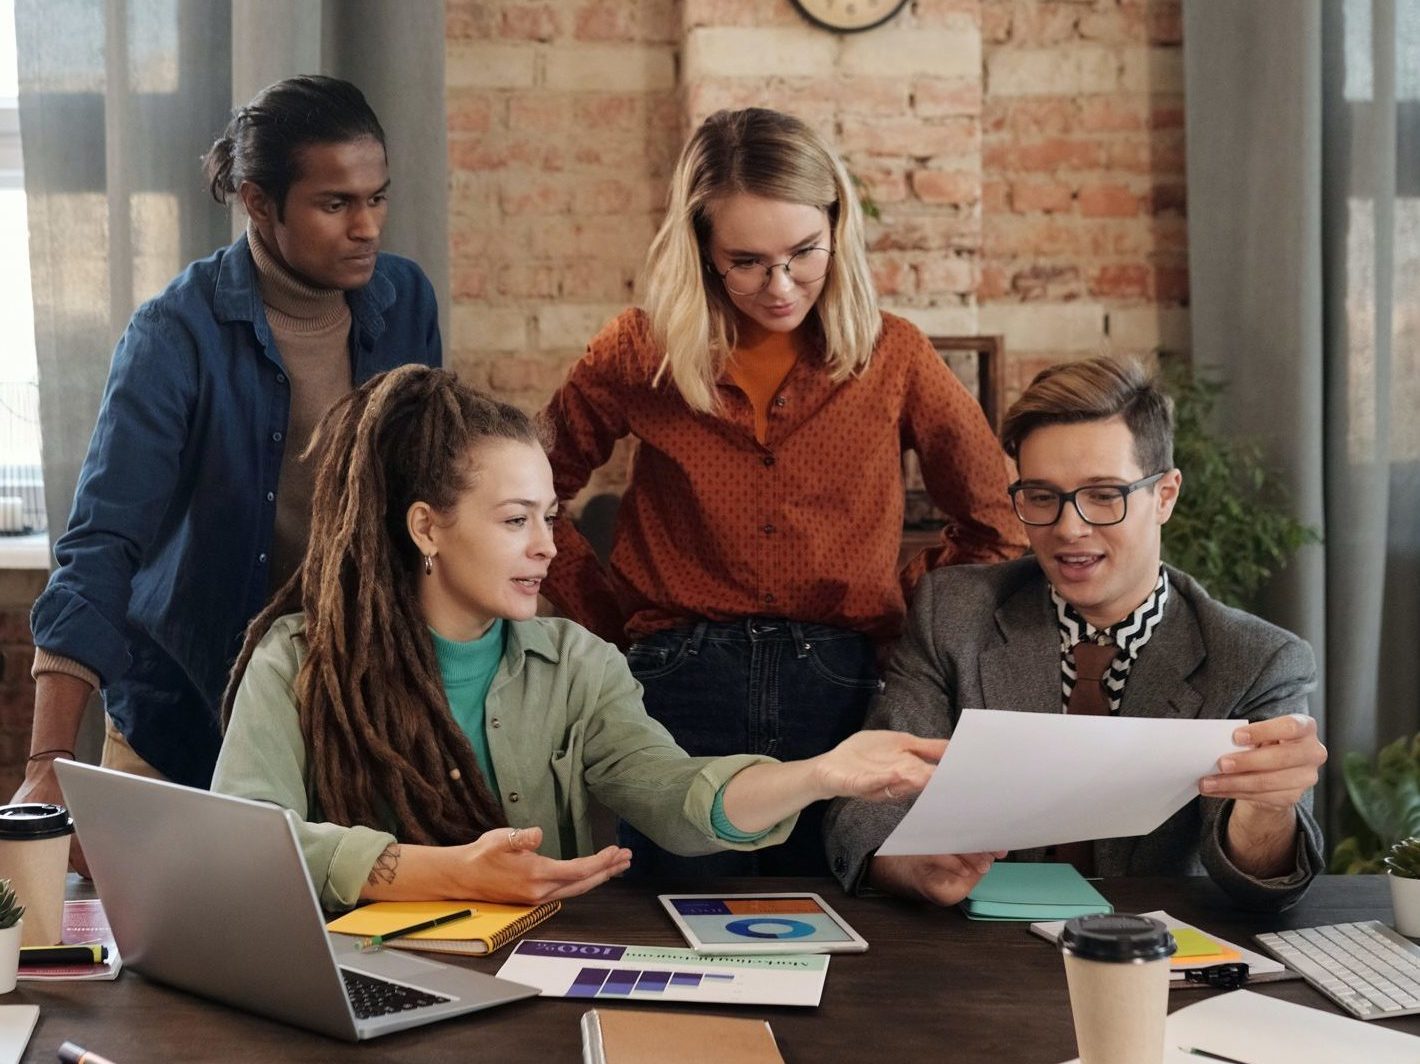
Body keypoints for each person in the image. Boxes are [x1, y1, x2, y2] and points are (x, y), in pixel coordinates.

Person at [210, 366, 945, 911]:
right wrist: (444, 873)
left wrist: (821, 773)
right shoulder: (299, 662)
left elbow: (675, 796)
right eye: (514, 520)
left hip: (534, 993)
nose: (547, 547)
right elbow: (246, 846)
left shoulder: (579, 665)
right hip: (357, 990)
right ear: (427, 526)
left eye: (550, 517)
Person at [540, 107, 1026, 879]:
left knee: (838, 927)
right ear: (701, 248)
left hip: (836, 686)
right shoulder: (639, 353)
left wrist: (895, 599)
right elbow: (534, 495)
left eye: (804, 253)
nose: (780, 285)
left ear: (838, 225)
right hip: (675, 685)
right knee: (673, 924)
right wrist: (608, 623)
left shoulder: (893, 355)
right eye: (747, 261)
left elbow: (999, 523)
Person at [17, 76, 441, 871]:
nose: (367, 227)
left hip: (352, 722)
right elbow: (103, 543)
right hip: (185, 717)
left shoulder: (405, 300)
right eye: (335, 203)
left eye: (377, 198)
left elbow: (425, 502)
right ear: (257, 201)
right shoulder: (174, 333)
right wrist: (46, 763)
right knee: (159, 978)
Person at [824, 356, 1328, 911]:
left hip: (1155, 958)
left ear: (1164, 496)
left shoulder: (1258, 658)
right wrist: (907, 864)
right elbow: (866, 802)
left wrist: (1268, 808)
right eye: (1041, 497)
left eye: (1104, 495)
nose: (1069, 528)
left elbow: (1261, 883)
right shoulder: (953, 612)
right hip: (976, 954)